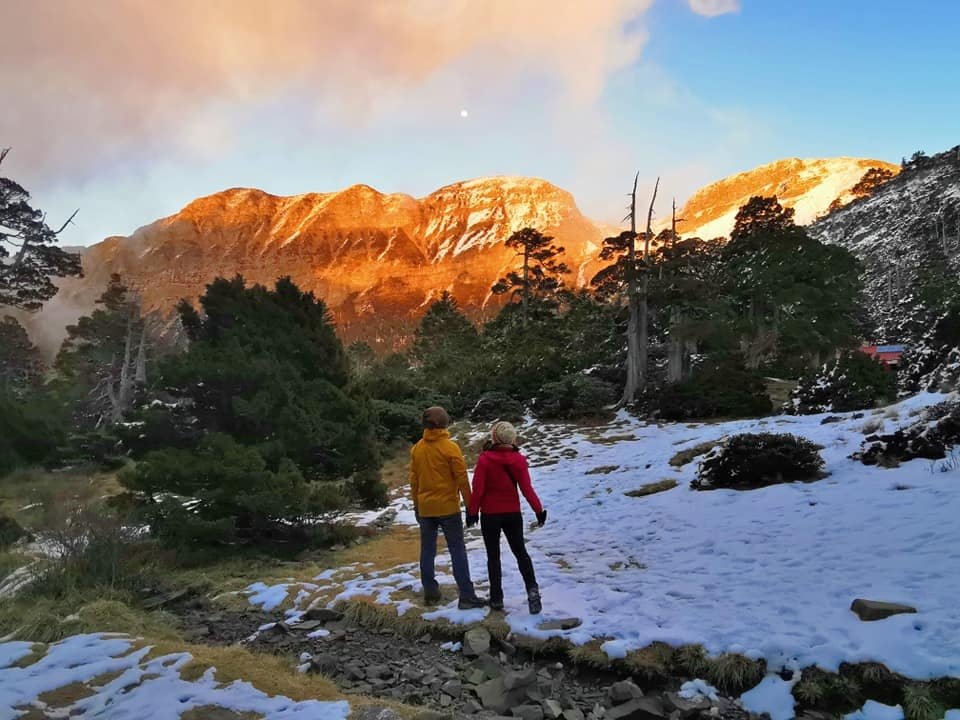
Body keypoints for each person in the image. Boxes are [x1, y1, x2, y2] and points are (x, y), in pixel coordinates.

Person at [409, 406, 487, 610]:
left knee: (427, 550)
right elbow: (462, 481)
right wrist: (471, 509)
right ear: (444, 423)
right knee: (457, 549)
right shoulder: (450, 448)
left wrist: (417, 506)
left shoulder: (417, 448)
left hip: (426, 509)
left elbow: (414, 481)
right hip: (448, 508)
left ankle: (430, 592)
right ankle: (467, 596)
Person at [467, 421, 547, 614]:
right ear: (513, 439)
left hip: (490, 515)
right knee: (521, 553)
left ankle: (496, 598)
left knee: (493, 557)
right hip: (512, 514)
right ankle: (533, 592)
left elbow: (478, 490)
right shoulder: (518, 460)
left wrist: (472, 513)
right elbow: (527, 489)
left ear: (493, 437)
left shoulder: (485, 459)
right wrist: (538, 510)